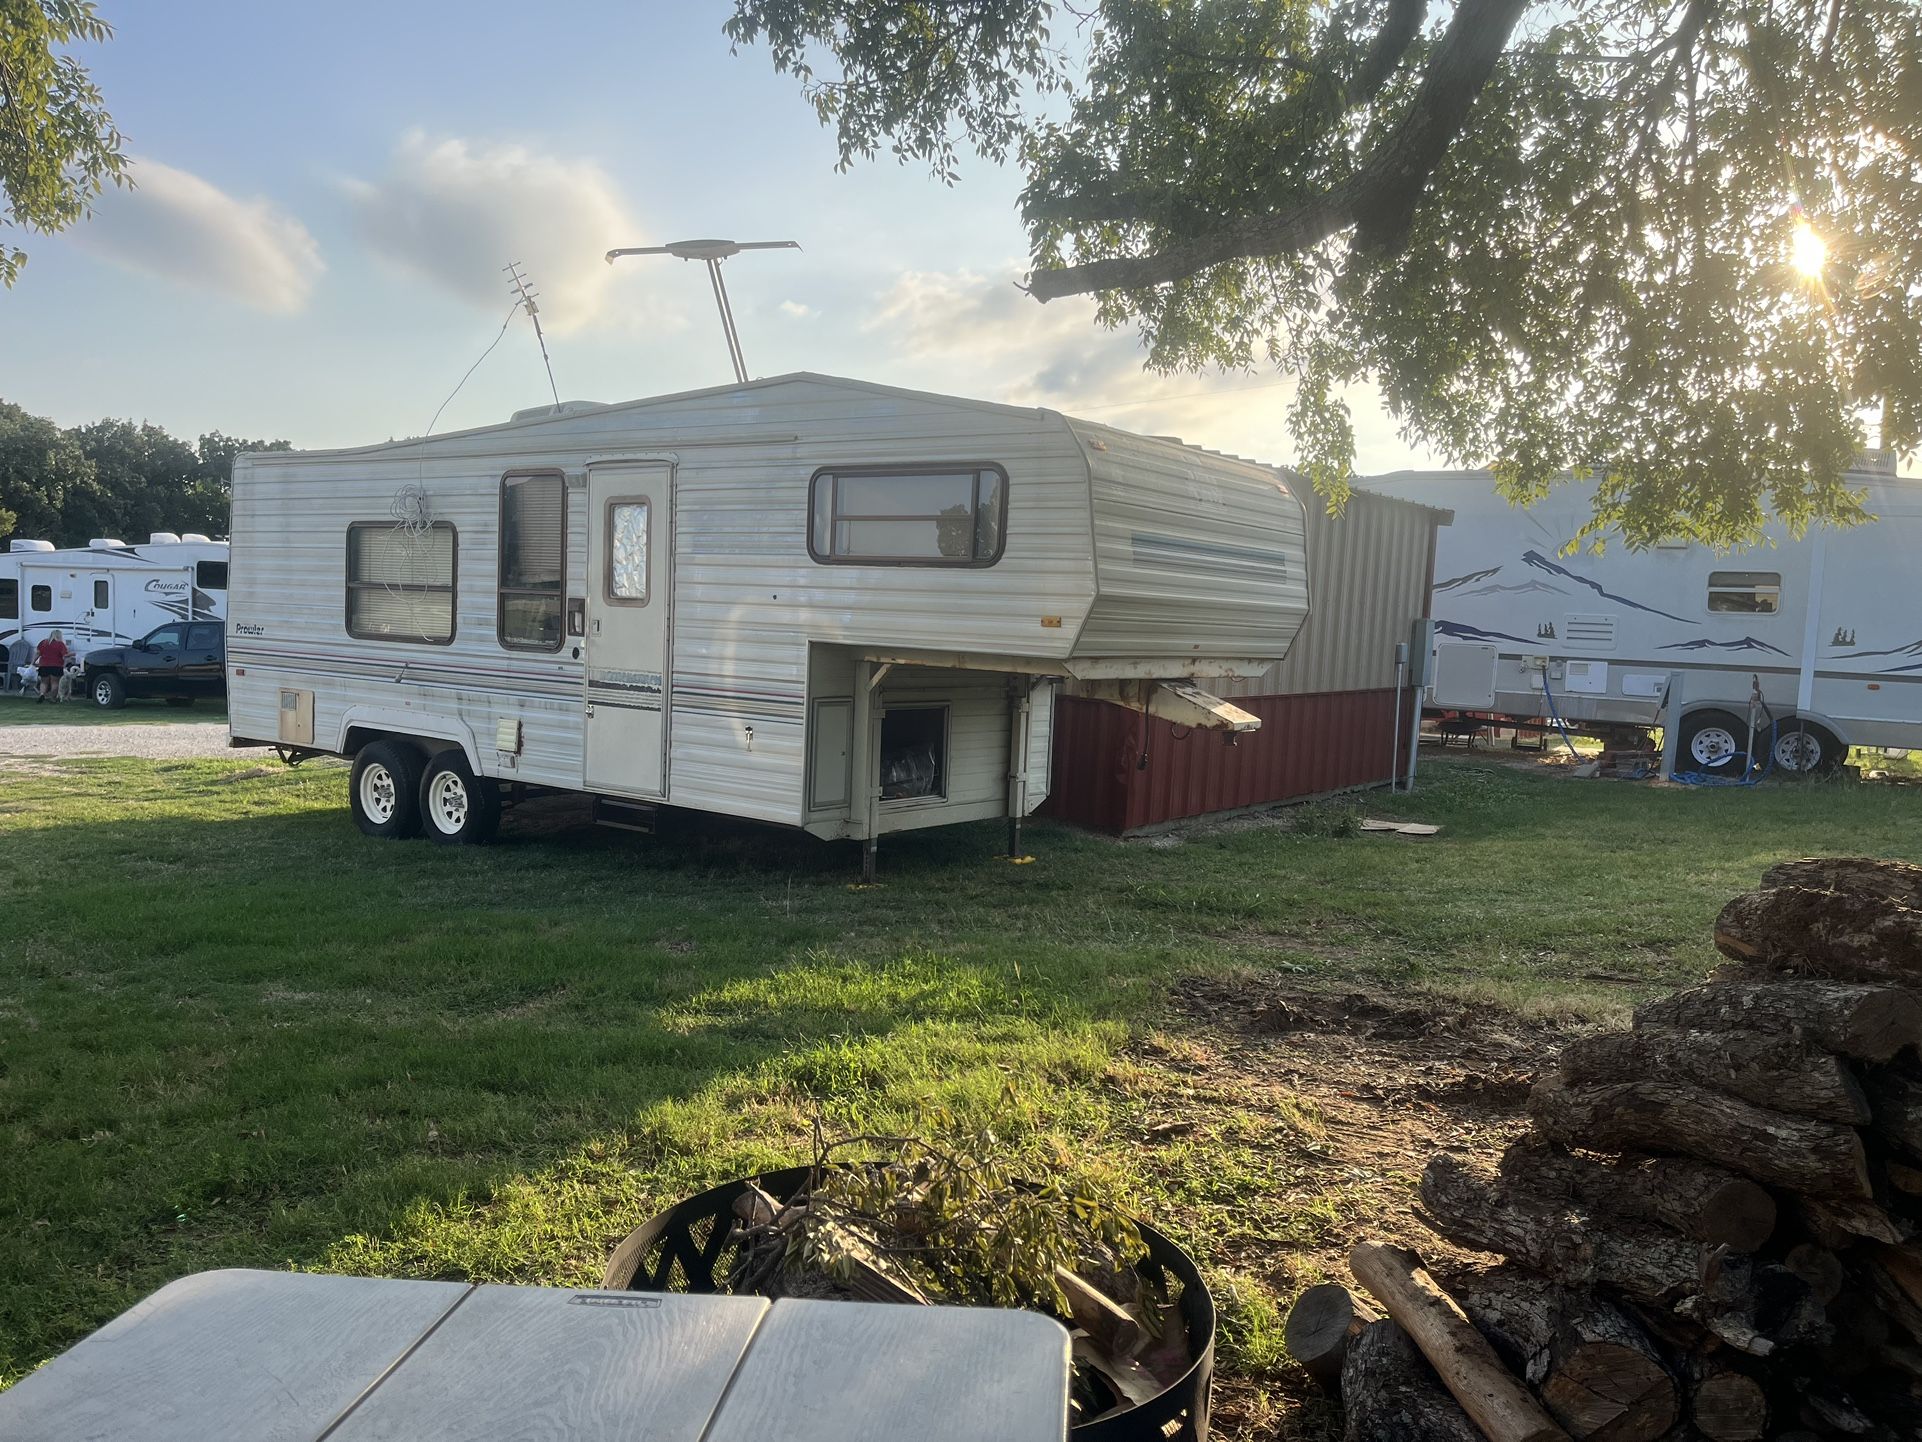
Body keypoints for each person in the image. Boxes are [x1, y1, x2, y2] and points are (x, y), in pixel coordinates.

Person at [35, 630, 70, 703]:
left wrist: (32, 663)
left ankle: (42, 694)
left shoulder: (43, 642)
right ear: (59, 636)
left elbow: (38, 653)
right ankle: (52, 698)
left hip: (44, 665)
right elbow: (64, 656)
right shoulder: (60, 644)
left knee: (43, 682)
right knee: (55, 683)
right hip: (56, 665)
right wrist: (71, 656)